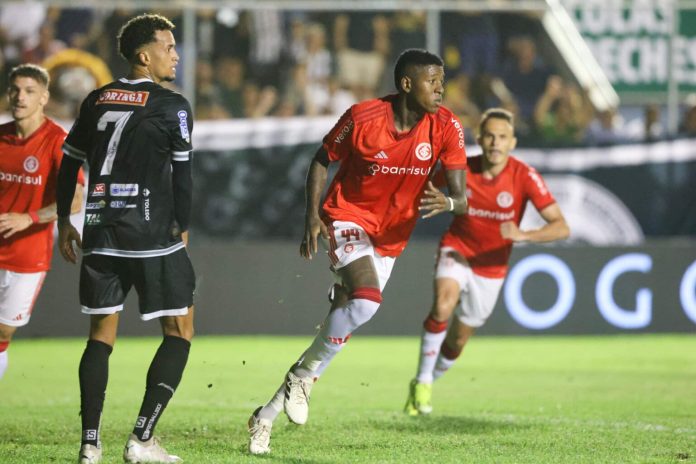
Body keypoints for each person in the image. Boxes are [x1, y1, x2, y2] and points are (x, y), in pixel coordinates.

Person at [247, 48, 469, 455]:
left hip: (391, 236)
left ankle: (267, 413)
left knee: (343, 323)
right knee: (367, 301)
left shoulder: (447, 127)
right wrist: (312, 216)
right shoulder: (363, 118)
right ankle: (299, 380)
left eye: (442, 80)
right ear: (406, 84)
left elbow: (463, 198)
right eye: (432, 80)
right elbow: (321, 159)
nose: (441, 88)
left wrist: (449, 204)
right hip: (346, 216)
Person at [55, 14, 195, 464]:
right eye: (168, 47)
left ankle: (89, 445)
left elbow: (68, 164)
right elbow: (183, 177)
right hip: (153, 237)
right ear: (144, 55)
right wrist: (183, 226)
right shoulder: (172, 105)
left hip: (99, 233)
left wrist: (64, 219)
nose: (175, 54)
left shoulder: (95, 100)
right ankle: (141, 438)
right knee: (180, 330)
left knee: (100, 336)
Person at [403, 108, 570, 416]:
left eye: (502, 137)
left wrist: (524, 234)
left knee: (458, 339)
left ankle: (425, 381)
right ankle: (424, 382)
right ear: (479, 139)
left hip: (492, 266)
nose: (495, 143)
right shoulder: (462, 167)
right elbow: (419, 183)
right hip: (458, 248)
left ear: (513, 142)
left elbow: (561, 226)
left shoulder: (525, 176)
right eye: (490, 136)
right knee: (443, 303)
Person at [0, 63, 84, 380]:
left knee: (4, 332)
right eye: (15, 90)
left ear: (44, 97)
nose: (20, 98)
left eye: (29, 92)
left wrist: (30, 218)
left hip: (27, 257)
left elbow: (75, 197)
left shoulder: (57, 141)